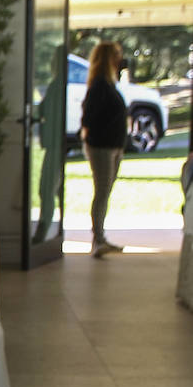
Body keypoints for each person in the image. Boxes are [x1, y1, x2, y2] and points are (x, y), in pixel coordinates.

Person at [81, 41, 129, 258]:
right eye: (117, 55)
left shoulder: (110, 84)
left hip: (114, 146)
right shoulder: (100, 86)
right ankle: (98, 239)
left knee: (105, 192)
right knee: (101, 192)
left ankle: (100, 237)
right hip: (102, 148)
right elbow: (88, 118)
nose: (120, 59)